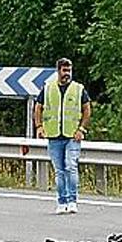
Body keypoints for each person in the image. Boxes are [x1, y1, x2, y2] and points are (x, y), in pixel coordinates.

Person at [34, 58, 92, 214]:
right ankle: (61, 201)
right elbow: (38, 108)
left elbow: (87, 109)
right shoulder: (48, 89)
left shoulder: (78, 89)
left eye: (69, 71)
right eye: (64, 70)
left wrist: (81, 129)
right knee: (59, 170)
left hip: (72, 135)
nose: (67, 74)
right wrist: (39, 126)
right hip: (53, 135)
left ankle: (72, 200)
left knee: (71, 166)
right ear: (58, 71)